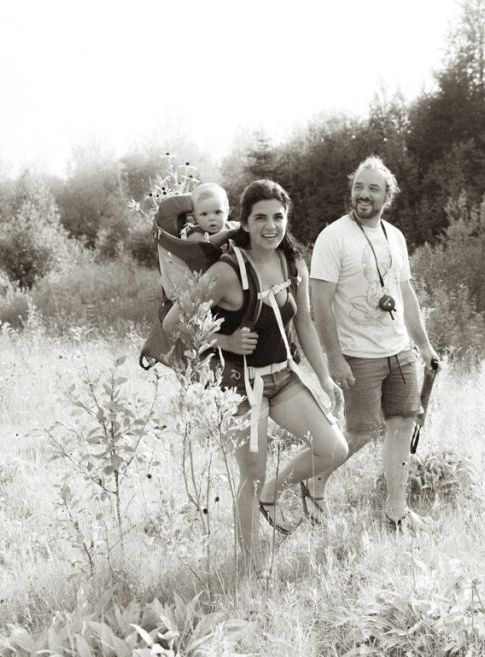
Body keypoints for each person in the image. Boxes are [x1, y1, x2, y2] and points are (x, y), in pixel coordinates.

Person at [163, 179, 347, 572]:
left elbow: (307, 326)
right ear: (243, 223)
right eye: (260, 217)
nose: (271, 226)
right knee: (250, 472)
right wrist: (225, 341)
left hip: (283, 378)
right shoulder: (227, 272)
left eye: (278, 217)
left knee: (333, 448)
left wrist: (325, 379)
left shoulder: (294, 262)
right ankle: (249, 568)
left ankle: (272, 493)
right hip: (241, 388)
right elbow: (173, 321)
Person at [307, 156, 440, 529]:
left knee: (402, 424)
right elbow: (319, 303)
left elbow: (406, 292)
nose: (364, 194)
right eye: (358, 187)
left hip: (398, 350)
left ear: (388, 196)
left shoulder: (394, 236)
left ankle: (396, 511)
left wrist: (424, 346)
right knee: (361, 431)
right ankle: (314, 486)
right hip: (357, 353)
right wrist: (334, 358)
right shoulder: (333, 237)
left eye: (373, 189)